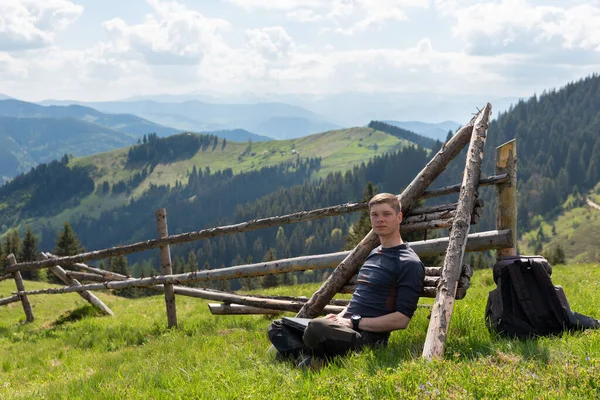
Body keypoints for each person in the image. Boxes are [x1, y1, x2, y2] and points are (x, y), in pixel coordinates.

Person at [267, 193, 425, 368]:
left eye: (386, 214)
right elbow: (359, 300)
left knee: (316, 327)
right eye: (375, 214)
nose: (380, 219)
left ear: (399, 217)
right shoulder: (374, 254)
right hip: (343, 326)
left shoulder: (408, 262)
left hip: (368, 337)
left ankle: (307, 357)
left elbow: (402, 320)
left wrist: (352, 322)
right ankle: (309, 358)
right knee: (278, 326)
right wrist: (339, 316)